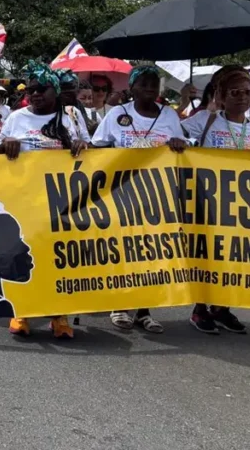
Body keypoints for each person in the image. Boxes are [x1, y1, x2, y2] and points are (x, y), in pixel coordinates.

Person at [91, 66, 187, 333]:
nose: (149, 88)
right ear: (131, 88)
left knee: (150, 253)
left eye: (154, 84)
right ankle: (120, 305)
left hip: (158, 195)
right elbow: (98, 146)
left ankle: (144, 311)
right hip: (122, 194)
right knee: (124, 250)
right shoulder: (117, 114)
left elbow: (182, 145)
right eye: (143, 83)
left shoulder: (168, 115)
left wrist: (179, 144)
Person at [0, 62, 87, 338]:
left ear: (56, 92)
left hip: (62, 201)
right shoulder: (16, 118)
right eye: (31, 90)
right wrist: (6, 145)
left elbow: (90, 153)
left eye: (42, 89)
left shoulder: (71, 116)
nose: (35, 94)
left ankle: (59, 315)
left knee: (58, 258)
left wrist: (82, 146)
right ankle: (22, 310)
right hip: (24, 199)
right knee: (24, 254)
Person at [182, 68, 250, 334]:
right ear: (221, 96)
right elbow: (172, 135)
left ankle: (221, 308)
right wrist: (180, 140)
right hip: (211, 204)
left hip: (247, 207)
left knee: (236, 257)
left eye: (248, 92)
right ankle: (200, 309)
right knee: (208, 256)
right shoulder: (206, 120)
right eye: (235, 92)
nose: (243, 97)